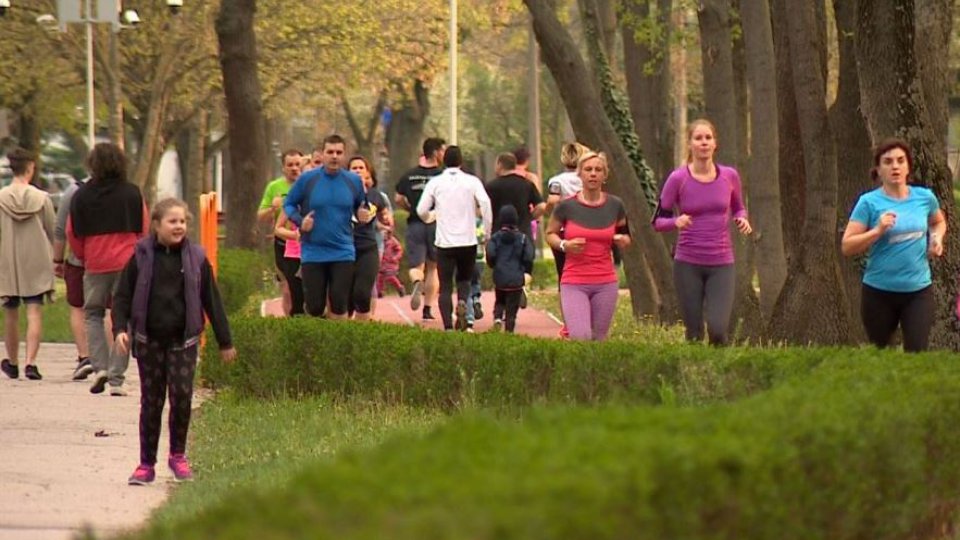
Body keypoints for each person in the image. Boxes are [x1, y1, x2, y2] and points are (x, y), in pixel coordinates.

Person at [111, 198, 236, 485]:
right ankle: (146, 464)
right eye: (172, 221)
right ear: (156, 224)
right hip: (149, 340)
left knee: (181, 397)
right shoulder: (141, 256)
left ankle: (177, 456)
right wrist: (120, 328)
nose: (179, 226)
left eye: (182, 221)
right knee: (152, 402)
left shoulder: (196, 258)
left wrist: (225, 341)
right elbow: (122, 296)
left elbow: (211, 301)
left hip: (184, 341)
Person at [841, 138, 946, 352]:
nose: (895, 166)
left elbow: (938, 221)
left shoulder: (925, 198)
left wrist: (937, 238)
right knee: (881, 355)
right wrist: (877, 231)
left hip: (918, 291)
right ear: (878, 170)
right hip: (879, 292)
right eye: (888, 162)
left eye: (900, 161)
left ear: (908, 166)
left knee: (917, 352)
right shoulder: (868, 203)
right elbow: (847, 246)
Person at [652, 119, 751, 346]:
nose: (703, 143)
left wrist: (742, 218)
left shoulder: (729, 176)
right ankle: (694, 375)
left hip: (722, 263)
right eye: (698, 138)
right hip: (688, 263)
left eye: (708, 138)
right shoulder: (678, 179)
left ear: (715, 143)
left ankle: (722, 376)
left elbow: (738, 206)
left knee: (717, 328)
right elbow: (658, 221)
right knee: (694, 333)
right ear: (690, 144)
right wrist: (676, 222)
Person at [68, 143, 149, 395]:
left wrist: (83, 256)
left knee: (92, 313)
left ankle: (99, 366)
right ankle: (116, 378)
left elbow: (73, 233)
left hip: (95, 262)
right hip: (127, 262)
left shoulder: (80, 196)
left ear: (92, 164)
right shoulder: (132, 193)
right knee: (123, 316)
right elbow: (144, 229)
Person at [283, 134, 372, 319]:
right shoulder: (308, 179)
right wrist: (300, 222)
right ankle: (318, 342)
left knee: (340, 304)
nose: (334, 156)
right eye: (330, 152)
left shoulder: (353, 181)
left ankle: (338, 346)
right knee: (315, 307)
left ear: (344, 155)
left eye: (339, 152)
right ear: (322, 155)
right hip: (313, 250)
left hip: (343, 250)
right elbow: (289, 204)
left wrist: (362, 214)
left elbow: (361, 207)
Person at [546, 151, 630, 341]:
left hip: (605, 282)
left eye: (598, 170)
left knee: (598, 339)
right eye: (588, 169)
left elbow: (625, 234)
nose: (593, 174)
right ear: (580, 174)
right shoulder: (566, 207)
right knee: (581, 337)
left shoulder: (615, 205)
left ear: (604, 175)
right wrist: (564, 244)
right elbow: (549, 233)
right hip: (574, 281)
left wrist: (622, 240)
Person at [416, 146, 492, 331]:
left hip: (445, 243)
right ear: (461, 162)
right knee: (464, 281)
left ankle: (448, 326)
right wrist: (487, 232)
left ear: (444, 161)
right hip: (468, 241)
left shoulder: (436, 183)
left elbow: (421, 210)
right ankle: (463, 303)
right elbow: (486, 203)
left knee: (446, 286)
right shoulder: (472, 181)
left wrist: (431, 217)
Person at [0, 148, 56, 381]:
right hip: (36, 258)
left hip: (8, 259)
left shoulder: (1, 197)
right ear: (30, 168)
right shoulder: (42, 199)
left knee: (11, 314)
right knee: (34, 312)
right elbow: (50, 229)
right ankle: (30, 363)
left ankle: (11, 362)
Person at [395, 138, 445, 321]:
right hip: (436, 225)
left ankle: (417, 281)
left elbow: (398, 198)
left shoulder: (409, 175)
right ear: (435, 152)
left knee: (417, 266)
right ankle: (428, 309)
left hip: (415, 223)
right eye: (442, 151)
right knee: (433, 267)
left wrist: (410, 208)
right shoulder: (442, 175)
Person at [53, 174, 92, 379]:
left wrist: (57, 260)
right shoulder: (124, 191)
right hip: (110, 261)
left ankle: (85, 356)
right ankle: (111, 359)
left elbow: (60, 229)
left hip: (78, 259)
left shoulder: (74, 191)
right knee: (108, 309)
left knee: (78, 307)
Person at [258, 149, 303, 316]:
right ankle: (290, 323)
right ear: (283, 168)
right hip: (283, 244)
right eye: (290, 165)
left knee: (306, 290)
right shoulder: (274, 187)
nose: (294, 168)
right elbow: (260, 216)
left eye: (297, 164)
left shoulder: (309, 185)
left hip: (307, 244)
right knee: (288, 289)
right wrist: (273, 208)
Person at [347, 155, 392, 320]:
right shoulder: (342, 193)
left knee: (362, 293)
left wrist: (385, 221)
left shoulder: (375, 195)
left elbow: (384, 215)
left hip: (368, 247)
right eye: (354, 168)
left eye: (361, 168)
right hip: (345, 248)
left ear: (367, 173)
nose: (358, 171)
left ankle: (362, 335)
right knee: (345, 298)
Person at [487, 205, 535, 333]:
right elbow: (529, 257)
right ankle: (509, 330)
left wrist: (493, 265)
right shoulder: (523, 238)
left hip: (500, 276)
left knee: (499, 300)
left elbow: (490, 254)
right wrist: (526, 271)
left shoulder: (495, 237)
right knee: (512, 308)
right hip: (516, 279)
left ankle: (497, 317)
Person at [377, 227, 405, 297]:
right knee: (380, 277)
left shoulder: (393, 241)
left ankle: (400, 287)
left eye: (385, 234)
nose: (383, 235)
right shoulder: (379, 242)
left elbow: (399, 250)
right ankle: (380, 291)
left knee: (390, 276)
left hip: (391, 263)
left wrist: (395, 257)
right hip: (382, 263)